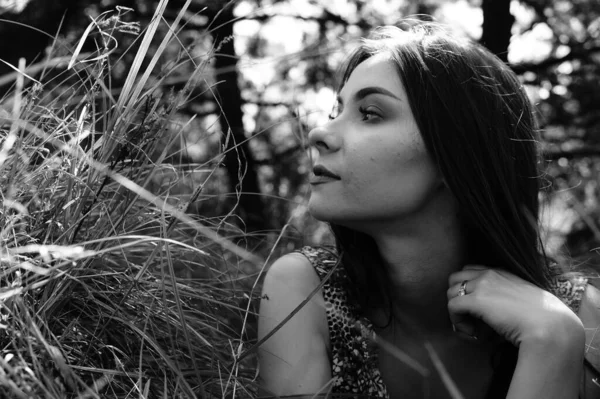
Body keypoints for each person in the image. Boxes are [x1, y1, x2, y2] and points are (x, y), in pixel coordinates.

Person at [257, 21, 600, 399]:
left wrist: (552, 340)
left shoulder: (582, 320)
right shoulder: (307, 292)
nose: (319, 133)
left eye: (370, 113)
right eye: (336, 110)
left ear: (458, 157)